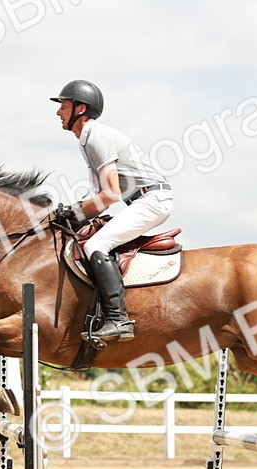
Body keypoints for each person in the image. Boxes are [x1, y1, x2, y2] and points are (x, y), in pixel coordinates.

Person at [51, 79, 173, 343]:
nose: (58, 112)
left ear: (80, 109)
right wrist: (73, 214)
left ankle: (118, 320)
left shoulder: (97, 137)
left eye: (63, 105)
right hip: (144, 199)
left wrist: (75, 211)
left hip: (152, 200)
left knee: (96, 244)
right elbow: (98, 195)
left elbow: (110, 195)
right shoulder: (87, 140)